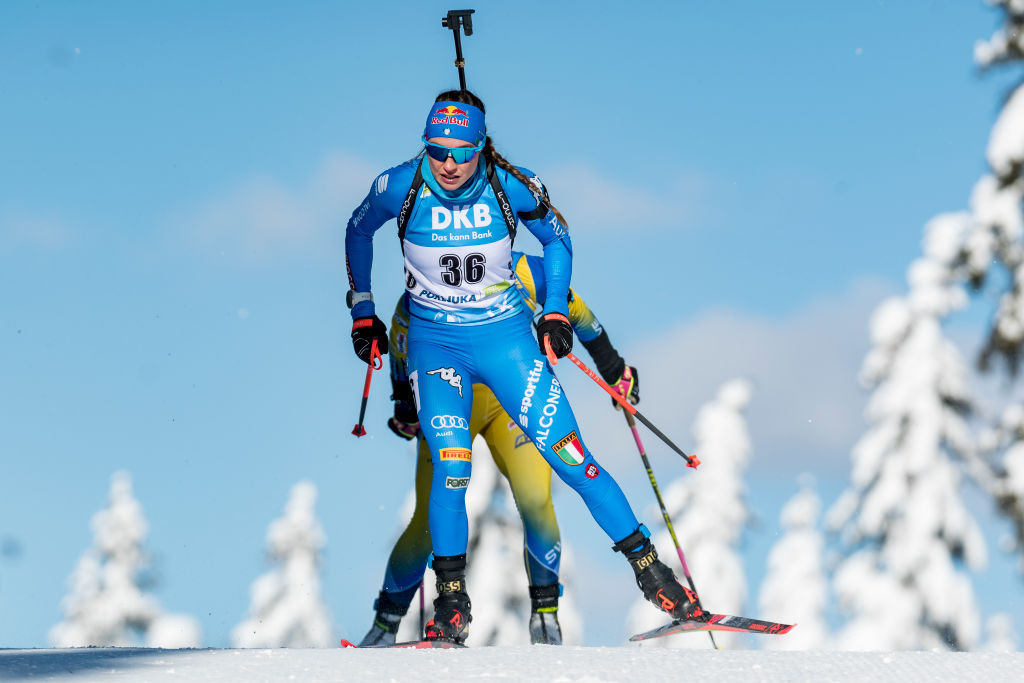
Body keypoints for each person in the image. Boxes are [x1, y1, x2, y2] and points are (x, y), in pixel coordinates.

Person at [345, 88, 703, 643]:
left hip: (507, 344)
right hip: (438, 351)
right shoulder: (400, 185)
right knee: (451, 471)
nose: (447, 163)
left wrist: (557, 312)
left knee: (574, 463)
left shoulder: (510, 184)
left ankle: (652, 572)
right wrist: (362, 308)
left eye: (461, 151)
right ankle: (452, 603)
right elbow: (357, 229)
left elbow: (557, 238)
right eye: (437, 149)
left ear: (481, 146)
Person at [358, 254, 641, 646]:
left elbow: (578, 314)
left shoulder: (525, 270)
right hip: (454, 401)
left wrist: (614, 371)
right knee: (427, 521)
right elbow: (401, 349)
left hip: (513, 399)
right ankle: (385, 626)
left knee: (536, 500)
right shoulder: (417, 296)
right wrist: (405, 409)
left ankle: (545, 618)